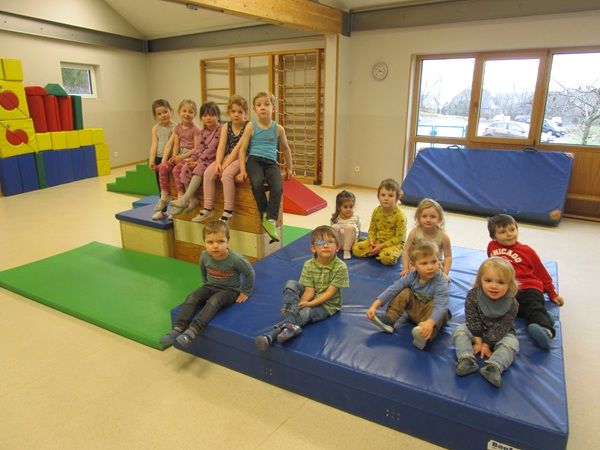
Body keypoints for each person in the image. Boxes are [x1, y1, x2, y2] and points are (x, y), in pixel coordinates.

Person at [160, 220, 255, 347]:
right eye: (210, 242)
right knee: (192, 297)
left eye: (220, 241)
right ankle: (177, 328)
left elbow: (250, 273)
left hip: (229, 290)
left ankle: (192, 331)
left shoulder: (236, 259)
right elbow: (203, 269)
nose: (215, 246)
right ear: (204, 243)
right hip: (210, 286)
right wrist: (205, 284)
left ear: (228, 242)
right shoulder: (204, 256)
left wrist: (245, 292)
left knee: (214, 301)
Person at [255, 225, 349, 351]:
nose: (325, 245)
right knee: (291, 284)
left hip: (327, 305)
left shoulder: (340, 267)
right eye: (320, 242)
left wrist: (309, 304)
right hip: (311, 297)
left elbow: (330, 293)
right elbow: (309, 290)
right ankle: (290, 319)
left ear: (337, 247)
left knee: (306, 313)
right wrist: (299, 306)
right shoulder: (308, 264)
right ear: (313, 248)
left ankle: (271, 334)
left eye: (330, 242)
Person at [486, 214, 565, 350]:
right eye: (502, 232)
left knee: (531, 305)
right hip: (506, 288)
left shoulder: (527, 251)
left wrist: (552, 294)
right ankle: (544, 316)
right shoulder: (492, 246)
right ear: (494, 237)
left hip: (528, 286)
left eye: (512, 229)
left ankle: (546, 330)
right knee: (502, 309)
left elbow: (541, 272)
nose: (509, 234)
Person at [366, 241, 449, 350]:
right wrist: (375, 305)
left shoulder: (440, 280)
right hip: (414, 311)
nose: (430, 267)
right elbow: (394, 288)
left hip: (431, 316)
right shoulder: (412, 275)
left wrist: (430, 322)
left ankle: (424, 336)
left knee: (441, 311)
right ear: (413, 265)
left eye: (434, 262)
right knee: (405, 292)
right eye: (424, 263)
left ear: (439, 261)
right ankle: (389, 320)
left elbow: (441, 305)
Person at [453, 257, 519, 388]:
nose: (494, 286)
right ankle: (466, 359)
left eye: (501, 282)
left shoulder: (512, 303)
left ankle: (494, 366)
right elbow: (472, 317)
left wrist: (487, 344)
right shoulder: (474, 295)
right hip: (476, 329)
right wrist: (478, 340)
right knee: (460, 331)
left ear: (509, 285)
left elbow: (503, 325)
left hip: (501, 333)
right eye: (488, 281)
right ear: (480, 280)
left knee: (512, 344)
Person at [238, 91, 293, 242]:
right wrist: (242, 169)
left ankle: (271, 219)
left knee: (277, 187)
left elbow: (286, 148)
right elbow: (242, 150)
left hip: (271, 163)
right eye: (259, 105)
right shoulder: (251, 126)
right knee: (257, 183)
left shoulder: (278, 128)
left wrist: (289, 168)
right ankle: (264, 212)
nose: (262, 107)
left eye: (266, 104)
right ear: (254, 109)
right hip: (254, 161)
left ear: (273, 109)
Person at [186, 95, 249, 223]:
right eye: (233, 111)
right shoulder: (226, 126)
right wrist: (219, 162)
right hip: (228, 156)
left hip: (243, 157)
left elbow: (239, 149)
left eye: (240, 112)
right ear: (228, 113)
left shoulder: (248, 126)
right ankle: (208, 208)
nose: (236, 114)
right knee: (208, 172)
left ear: (245, 113)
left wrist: (225, 164)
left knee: (226, 175)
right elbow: (221, 146)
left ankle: (228, 211)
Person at [169, 102, 222, 216]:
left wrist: (198, 162)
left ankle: (184, 199)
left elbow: (211, 149)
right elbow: (199, 148)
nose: (208, 118)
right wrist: (192, 159)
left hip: (213, 159)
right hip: (202, 159)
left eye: (211, 115)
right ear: (201, 117)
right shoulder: (203, 131)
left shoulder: (220, 130)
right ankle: (192, 199)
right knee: (185, 168)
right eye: (205, 115)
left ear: (218, 116)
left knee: (198, 169)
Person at [153, 99, 201, 220]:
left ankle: (181, 198)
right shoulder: (178, 128)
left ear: (195, 114)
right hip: (179, 155)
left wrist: (181, 157)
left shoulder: (195, 129)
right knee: (163, 168)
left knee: (176, 170)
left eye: (190, 112)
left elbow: (196, 148)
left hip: (189, 157)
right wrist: (174, 156)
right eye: (184, 111)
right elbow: (176, 144)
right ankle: (165, 196)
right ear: (179, 112)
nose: (187, 114)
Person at [352, 178, 407, 266]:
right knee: (356, 249)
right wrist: (371, 240)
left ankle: (380, 252)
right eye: (383, 195)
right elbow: (372, 229)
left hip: (393, 244)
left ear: (397, 198)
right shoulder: (376, 211)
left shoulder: (400, 216)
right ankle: (377, 252)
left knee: (387, 259)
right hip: (377, 240)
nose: (386, 198)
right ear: (378, 197)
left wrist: (381, 246)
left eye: (391, 196)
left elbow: (399, 238)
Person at [401, 198, 452, 279]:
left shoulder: (443, 237)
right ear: (418, 218)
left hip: (434, 264)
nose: (428, 220)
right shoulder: (414, 233)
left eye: (433, 217)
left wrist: (445, 273)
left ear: (439, 219)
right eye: (424, 216)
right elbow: (405, 250)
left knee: (436, 276)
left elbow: (448, 256)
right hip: (417, 262)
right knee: (414, 275)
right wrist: (405, 268)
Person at [148, 99, 176, 191]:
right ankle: (162, 197)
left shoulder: (175, 127)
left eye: (165, 112)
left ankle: (171, 198)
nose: (163, 115)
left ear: (170, 111)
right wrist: (152, 160)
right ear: (155, 116)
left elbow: (169, 145)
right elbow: (154, 144)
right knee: (160, 183)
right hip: (158, 158)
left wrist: (163, 162)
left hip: (169, 158)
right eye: (159, 114)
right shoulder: (155, 128)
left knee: (170, 182)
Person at [330, 190, 361, 260]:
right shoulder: (336, 217)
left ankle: (346, 251)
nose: (348, 209)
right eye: (345, 207)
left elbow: (359, 229)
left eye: (351, 207)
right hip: (340, 243)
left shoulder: (356, 216)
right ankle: (334, 247)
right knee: (334, 227)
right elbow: (332, 233)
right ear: (339, 207)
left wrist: (358, 239)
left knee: (350, 227)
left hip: (351, 243)